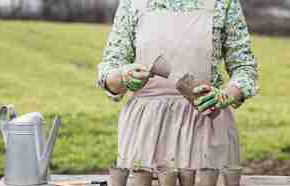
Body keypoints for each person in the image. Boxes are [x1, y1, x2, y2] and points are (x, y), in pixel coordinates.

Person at [97, 0, 258, 174]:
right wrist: (123, 76)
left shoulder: (224, 3)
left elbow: (245, 68)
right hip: (145, 130)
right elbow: (109, 70)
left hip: (205, 125)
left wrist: (226, 95)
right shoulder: (132, 3)